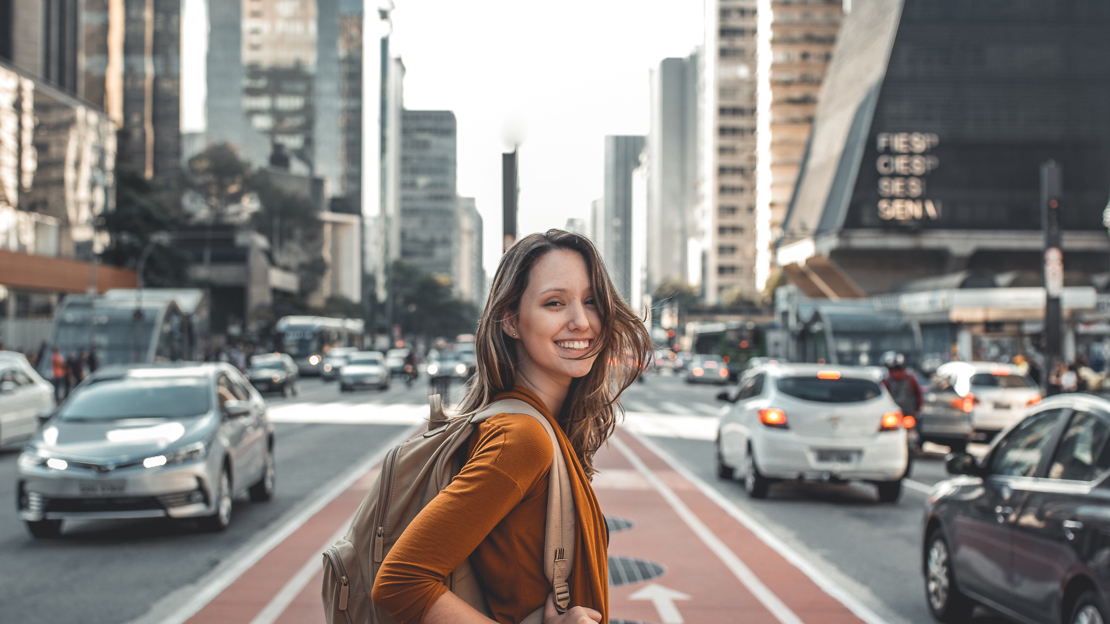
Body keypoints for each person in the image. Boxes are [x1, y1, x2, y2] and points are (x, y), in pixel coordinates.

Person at [371, 230, 651, 624]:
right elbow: (401, 581)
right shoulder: (521, 438)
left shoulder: (536, 425)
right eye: (555, 303)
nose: (581, 320)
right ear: (511, 321)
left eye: (591, 301)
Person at [882, 352, 923, 449]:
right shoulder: (911, 379)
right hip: (907, 413)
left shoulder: (887, 380)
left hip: (892, 414)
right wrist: (917, 410)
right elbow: (919, 396)